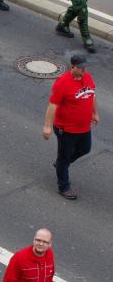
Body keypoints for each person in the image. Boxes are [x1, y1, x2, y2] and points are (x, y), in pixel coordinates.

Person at [42, 54, 98, 200]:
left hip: (84, 126)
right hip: (66, 129)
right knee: (64, 157)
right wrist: (47, 126)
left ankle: (61, 164)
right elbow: (52, 105)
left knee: (85, 149)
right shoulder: (62, 83)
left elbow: (92, 95)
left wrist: (95, 113)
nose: (84, 70)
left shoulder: (87, 77)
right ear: (73, 67)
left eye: (85, 67)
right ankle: (63, 187)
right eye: (80, 68)